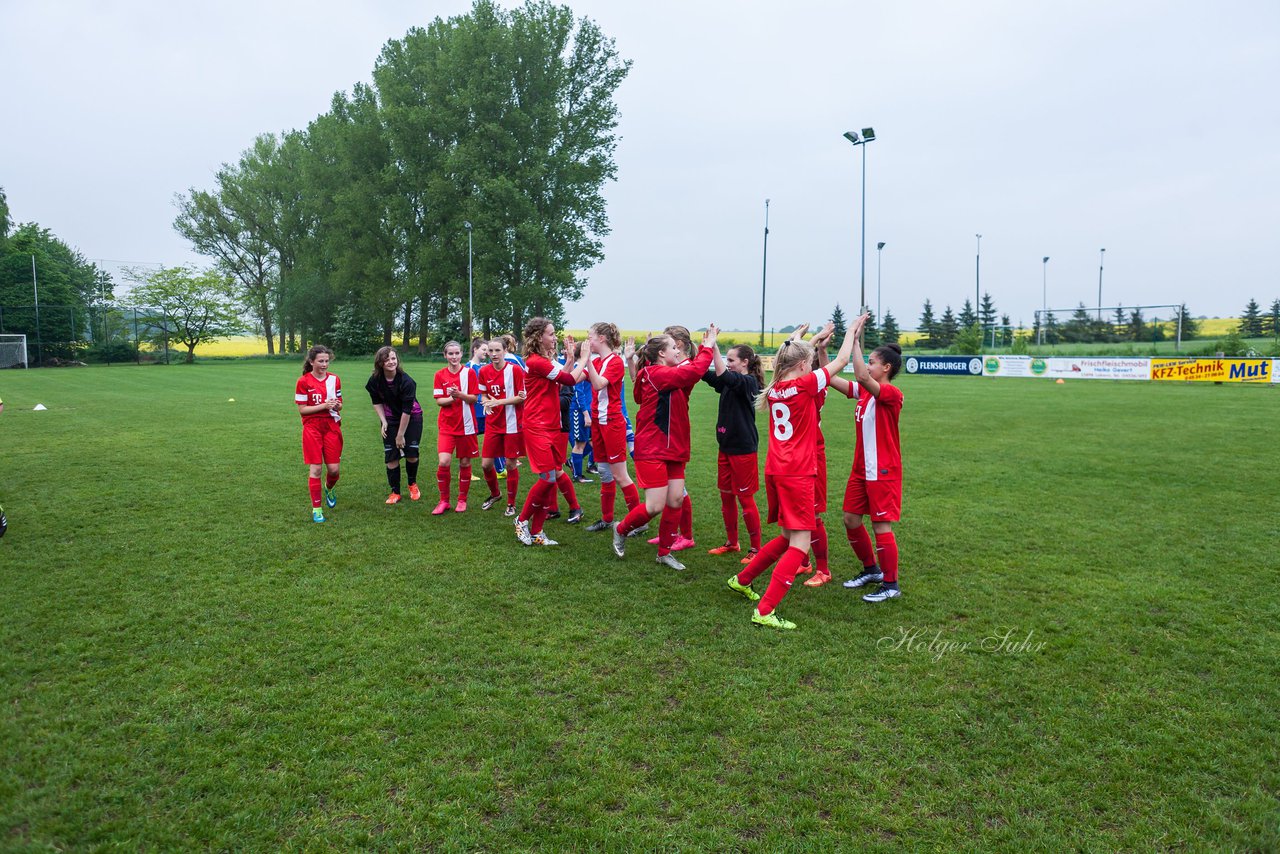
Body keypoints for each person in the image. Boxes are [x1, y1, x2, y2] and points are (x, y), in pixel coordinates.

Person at [726, 324, 855, 630]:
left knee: (787, 538)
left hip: (777, 469)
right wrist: (853, 331)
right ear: (801, 366)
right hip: (797, 472)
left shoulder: (775, 389)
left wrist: (801, 341)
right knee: (799, 544)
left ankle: (742, 579)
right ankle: (766, 610)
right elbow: (841, 361)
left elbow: (792, 358)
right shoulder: (806, 385)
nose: (811, 368)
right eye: (808, 364)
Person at [612, 324, 719, 571]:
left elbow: (689, 373)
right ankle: (620, 529)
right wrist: (707, 346)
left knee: (675, 502)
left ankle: (664, 553)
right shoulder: (655, 373)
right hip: (652, 447)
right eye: (673, 347)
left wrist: (698, 352)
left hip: (676, 446)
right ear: (661, 353)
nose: (677, 351)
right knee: (655, 506)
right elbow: (691, 372)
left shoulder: (664, 373)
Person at [839, 314, 906, 602]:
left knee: (881, 525)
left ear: (886, 367)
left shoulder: (890, 393)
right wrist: (820, 352)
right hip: (861, 469)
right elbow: (832, 379)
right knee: (851, 519)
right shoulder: (867, 395)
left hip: (883, 470)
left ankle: (891, 585)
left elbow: (862, 377)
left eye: (873, 361)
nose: (868, 365)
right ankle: (872, 570)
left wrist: (853, 338)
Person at [514, 318, 589, 546]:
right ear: (539, 337)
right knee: (547, 479)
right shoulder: (536, 361)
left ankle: (537, 532)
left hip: (551, 425)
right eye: (550, 333)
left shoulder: (544, 361)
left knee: (551, 477)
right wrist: (584, 358)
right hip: (537, 427)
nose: (554, 337)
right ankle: (522, 520)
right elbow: (568, 380)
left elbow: (559, 381)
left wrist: (572, 360)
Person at [702, 342, 765, 561]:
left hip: (743, 449)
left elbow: (725, 377)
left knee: (745, 499)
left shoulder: (748, 382)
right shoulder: (731, 381)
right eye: (726, 360)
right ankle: (732, 543)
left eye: (732, 360)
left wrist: (714, 349)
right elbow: (709, 375)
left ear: (745, 362)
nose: (728, 364)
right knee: (726, 497)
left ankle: (756, 549)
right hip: (725, 447)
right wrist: (693, 352)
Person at [583, 322, 642, 533]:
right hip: (598, 422)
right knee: (604, 473)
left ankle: (639, 522)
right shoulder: (598, 361)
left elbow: (598, 384)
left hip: (613, 423)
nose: (588, 340)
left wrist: (587, 360)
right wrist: (575, 358)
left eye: (590, 337)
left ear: (602, 338)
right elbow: (574, 379)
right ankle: (607, 519)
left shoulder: (614, 362)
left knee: (620, 475)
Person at [365, 346, 423, 504]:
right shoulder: (375, 380)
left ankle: (412, 484)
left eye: (393, 358)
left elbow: (407, 410)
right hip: (390, 419)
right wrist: (383, 421)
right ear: (380, 363)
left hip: (412, 418)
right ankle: (395, 492)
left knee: (411, 454)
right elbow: (376, 401)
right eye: (387, 359)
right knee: (391, 457)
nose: (391, 362)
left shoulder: (407, 381)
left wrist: (400, 435)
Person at [295, 345, 343, 523]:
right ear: (311, 361)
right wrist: (324, 406)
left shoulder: (335, 379)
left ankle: (329, 487)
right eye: (321, 361)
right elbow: (302, 410)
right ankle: (317, 509)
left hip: (331, 426)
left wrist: (337, 405)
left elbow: (340, 403)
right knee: (316, 469)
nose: (324, 364)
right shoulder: (303, 381)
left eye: (326, 361)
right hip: (312, 428)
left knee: (334, 469)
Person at [431, 340, 480, 514]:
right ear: (445, 355)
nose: (454, 356)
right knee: (444, 462)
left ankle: (462, 500)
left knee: (465, 462)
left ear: (461, 354)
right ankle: (444, 501)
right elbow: (439, 401)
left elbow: (474, 399)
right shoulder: (440, 375)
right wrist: (453, 398)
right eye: (450, 354)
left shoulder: (470, 374)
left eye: (457, 353)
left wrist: (460, 395)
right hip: (447, 426)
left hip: (466, 426)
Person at [478, 337, 526, 515]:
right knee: (486, 464)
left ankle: (511, 503)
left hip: (512, 423)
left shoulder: (514, 370)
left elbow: (522, 396)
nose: (493, 354)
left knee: (510, 464)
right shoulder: (484, 371)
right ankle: (495, 494)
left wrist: (498, 402)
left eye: (497, 350)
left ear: (505, 351)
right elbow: (482, 395)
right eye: (490, 351)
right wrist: (486, 403)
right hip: (493, 424)